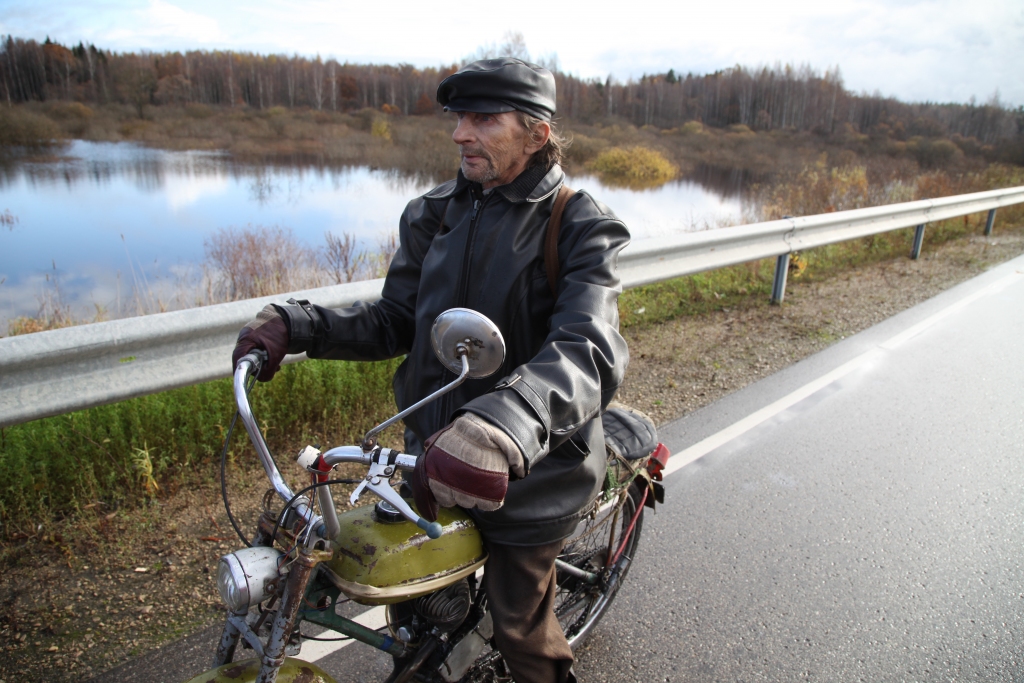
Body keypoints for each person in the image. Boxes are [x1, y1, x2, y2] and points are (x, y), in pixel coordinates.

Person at [232, 58, 630, 683]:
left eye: (483, 119)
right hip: (431, 455)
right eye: (458, 119)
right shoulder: (434, 212)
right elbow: (397, 319)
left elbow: (590, 345)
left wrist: (504, 421)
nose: (460, 134)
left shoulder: (579, 223)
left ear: (536, 131)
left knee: (519, 626)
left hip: (533, 469)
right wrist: (302, 324)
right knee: (415, 612)